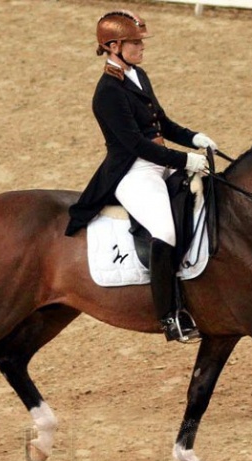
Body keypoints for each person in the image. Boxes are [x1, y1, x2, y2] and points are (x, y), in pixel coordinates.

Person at [65, 9, 218, 343]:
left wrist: (193, 138)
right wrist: (185, 160)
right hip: (133, 171)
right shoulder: (107, 92)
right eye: (134, 42)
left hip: (160, 161)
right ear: (113, 46)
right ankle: (169, 316)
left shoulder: (138, 75)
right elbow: (136, 144)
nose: (141, 47)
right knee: (164, 230)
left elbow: (161, 122)